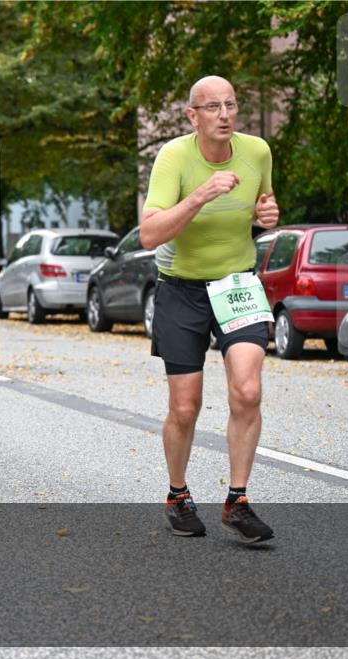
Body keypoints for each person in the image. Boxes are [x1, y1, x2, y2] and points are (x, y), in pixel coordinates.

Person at [140, 75, 280, 544]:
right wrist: (201, 194)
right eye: (213, 107)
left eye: (231, 105)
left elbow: (263, 207)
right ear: (192, 116)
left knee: (248, 390)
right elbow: (150, 233)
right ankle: (178, 495)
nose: (224, 115)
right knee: (185, 407)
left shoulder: (257, 151)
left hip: (237, 284)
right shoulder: (173, 157)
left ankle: (237, 501)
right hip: (181, 288)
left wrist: (266, 216)